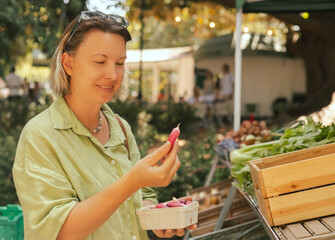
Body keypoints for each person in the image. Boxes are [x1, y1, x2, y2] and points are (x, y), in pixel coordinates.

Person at [12, 11, 196, 240]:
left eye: (120, 63)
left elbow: (141, 197)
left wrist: (162, 217)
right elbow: (58, 230)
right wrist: (131, 181)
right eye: (100, 62)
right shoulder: (39, 136)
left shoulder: (120, 127)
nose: (113, 74)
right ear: (68, 64)